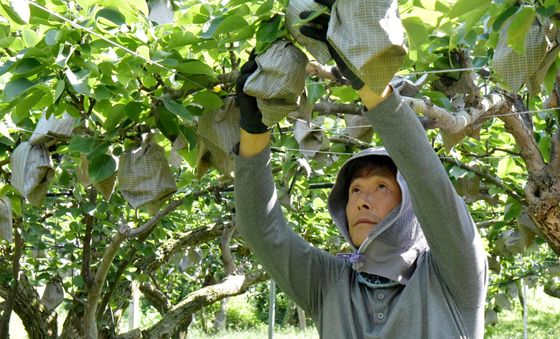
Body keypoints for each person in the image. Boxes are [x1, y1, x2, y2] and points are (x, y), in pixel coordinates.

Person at [233, 8, 488, 339]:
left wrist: (367, 78)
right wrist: (254, 131)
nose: (362, 202)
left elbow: (428, 180)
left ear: (411, 206)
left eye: (381, 186)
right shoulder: (330, 282)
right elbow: (262, 231)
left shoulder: (453, 275)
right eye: (355, 190)